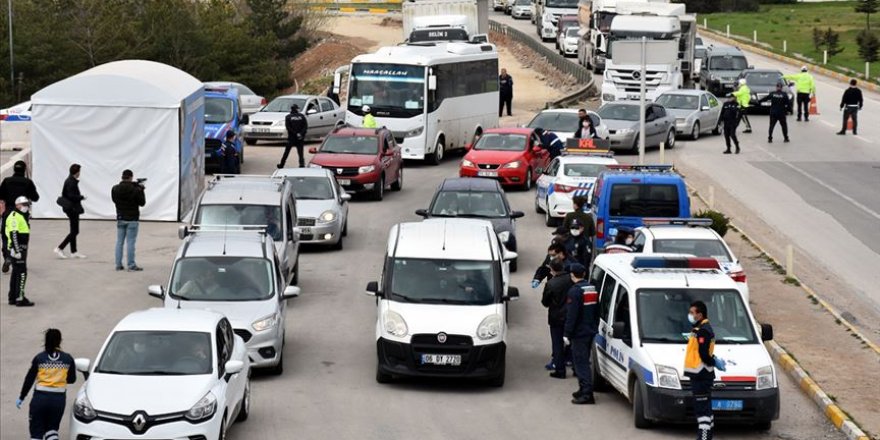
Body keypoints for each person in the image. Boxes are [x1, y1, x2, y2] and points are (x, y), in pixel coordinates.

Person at [17, 329, 76, 440]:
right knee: (52, 431)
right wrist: (59, 378)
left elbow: (29, 379)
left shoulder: (39, 358)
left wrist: (21, 397)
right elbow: (72, 379)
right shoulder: (68, 358)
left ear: (45, 341)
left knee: (36, 433)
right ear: (60, 341)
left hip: (40, 400)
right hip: (58, 401)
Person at [684, 301, 727, 440]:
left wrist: (713, 361)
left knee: (702, 411)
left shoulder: (703, 330)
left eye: (692, 313)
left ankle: (703, 438)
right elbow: (703, 351)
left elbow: (703, 354)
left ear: (700, 315)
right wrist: (713, 359)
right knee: (706, 409)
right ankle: (708, 437)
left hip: (701, 375)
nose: (690, 315)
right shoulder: (701, 329)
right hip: (701, 375)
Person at [565, 263, 599, 404]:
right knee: (583, 360)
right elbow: (597, 310)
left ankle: (587, 394)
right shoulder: (591, 288)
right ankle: (582, 388)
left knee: (581, 363)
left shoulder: (575, 291)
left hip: (579, 333)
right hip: (589, 330)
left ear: (572, 275)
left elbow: (572, 315)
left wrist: (567, 333)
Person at [0, 160, 39, 272]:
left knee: (6, 236)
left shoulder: (7, 181)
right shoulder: (28, 182)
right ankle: (20, 261)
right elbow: (36, 197)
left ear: (14, 169)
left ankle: (7, 256)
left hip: (8, 213)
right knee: (21, 237)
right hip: (22, 214)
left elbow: (1, 196)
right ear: (24, 170)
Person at [542, 260, 574, 378]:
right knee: (573, 342)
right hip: (571, 315)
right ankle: (576, 368)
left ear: (552, 269)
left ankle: (560, 370)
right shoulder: (571, 279)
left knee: (557, 344)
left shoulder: (551, 284)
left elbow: (545, 302)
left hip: (556, 317)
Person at [111, 169, 146, 272]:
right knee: (130, 243)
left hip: (121, 217)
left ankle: (118, 264)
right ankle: (131, 265)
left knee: (119, 242)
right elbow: (142, 203)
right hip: (132, 218)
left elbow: (115, 200)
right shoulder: (135, 190)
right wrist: (141, 190)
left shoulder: (115, 189)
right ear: (131, 177)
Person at [6, 196, 34, 306]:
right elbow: (14, 234)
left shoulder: (20, 216)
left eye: (27, 205)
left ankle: (12, 297)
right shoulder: (14, 217)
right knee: (22, 273)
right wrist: (17, 251)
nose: (26, 207)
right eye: (24, 205)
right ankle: (20, 298)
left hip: (20, 248)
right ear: (17, 205)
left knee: (15, 273)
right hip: (17, 250)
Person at [54, 164, 86, 259]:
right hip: (72, 209)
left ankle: (74, 251)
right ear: (77, 172)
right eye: (79, 171)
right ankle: (60, 248)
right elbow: (71, 196)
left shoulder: (71, 181)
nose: (80, 173)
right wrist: (81, 197)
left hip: (72, 208)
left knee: (74, 230)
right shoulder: (71, 182)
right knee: (75, 231)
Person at [279, 104, 308, 169]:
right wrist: (300, 134)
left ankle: (281, 164)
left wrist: (295, 133)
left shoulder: (288, 117)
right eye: (297, 108)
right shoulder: (302, 116)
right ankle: (302, 165)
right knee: (300, 153)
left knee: (286, 152)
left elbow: (288, 127)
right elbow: (305, 126)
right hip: (300, 138)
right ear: (296, 109)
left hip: (291, 137)